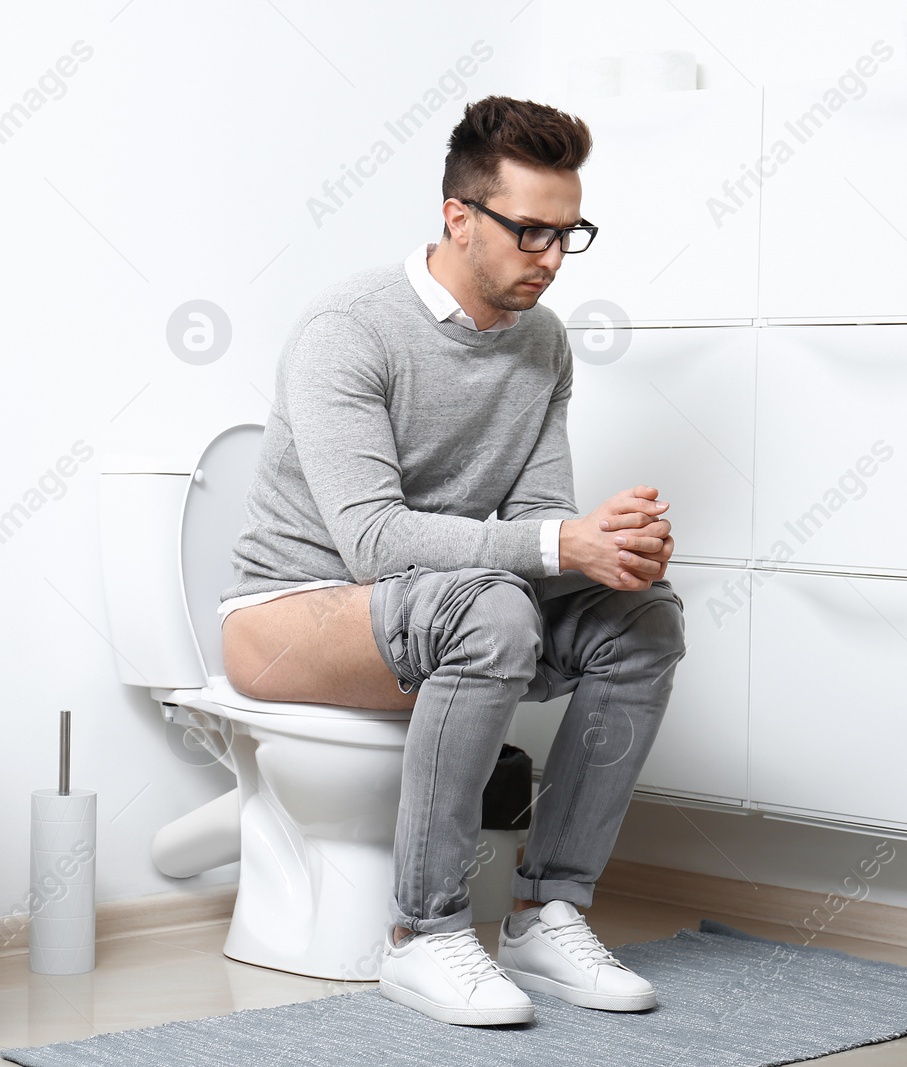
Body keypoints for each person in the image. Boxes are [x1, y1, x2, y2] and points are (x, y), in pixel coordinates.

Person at [218, 94, 687, 1026]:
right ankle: (423, 935)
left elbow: (544, 513)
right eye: (529, 232)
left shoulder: (543, 342)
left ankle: (547, 911)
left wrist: (609, 551)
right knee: (496, 610)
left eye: (570, 233)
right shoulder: (347, 329)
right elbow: (374, 541)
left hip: (446, 607)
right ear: (458, 216)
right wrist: (560, 543)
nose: (552, 259)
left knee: (643, 617)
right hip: (292, 614)